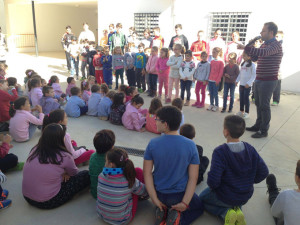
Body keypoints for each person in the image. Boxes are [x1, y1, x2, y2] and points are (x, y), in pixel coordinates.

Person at [199, 115, 269, 225]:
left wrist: (217, 188)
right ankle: (237, 212)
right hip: (245, 195)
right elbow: (264, 171)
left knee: (200, 200)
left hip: (225, 195)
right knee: (233, 200)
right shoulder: (250, 148)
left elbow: (213, 182)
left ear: (226, 132)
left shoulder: (220, 152)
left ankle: (225, 213)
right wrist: (248, 181)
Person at [144, 106, 203, 225]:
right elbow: (193, 178)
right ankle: (178, 219)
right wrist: (185, 203)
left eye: (157, 119)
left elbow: (147, 173)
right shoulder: (191, 145)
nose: (155, 121)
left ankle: (161, 210)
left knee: (162, 204)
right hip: (179, 196)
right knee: (199, 207)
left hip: (159, 193)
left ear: (165, 124)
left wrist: (154, 198)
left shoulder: (153, 143)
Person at [22, 123, 90, 209]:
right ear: (61, 139)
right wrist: (65, 173)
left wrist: (63, 173)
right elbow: (74, 173)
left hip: (27, 197)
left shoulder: (35, 149)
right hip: (47, 201)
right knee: (86, 175)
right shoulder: (65, 155)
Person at [239, 22, 283, 138]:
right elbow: (255, 57)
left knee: (264, 105)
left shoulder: (275, 45)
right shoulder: (264, 45)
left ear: (271, 32)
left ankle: (264, 130)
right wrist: (249, 51)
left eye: (263, 31)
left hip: (268, 80)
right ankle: (258, 125)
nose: (261, 33)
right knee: (258, 103)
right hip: (259, 79)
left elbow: (264, 53)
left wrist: (246, 47)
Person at [97, 148, 148, 224]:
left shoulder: (101, 175)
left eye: (106, 161)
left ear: (110, 165)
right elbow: (144, 191)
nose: (105, 163)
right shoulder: (128, 180)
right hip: (122, 220)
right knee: (138, 172)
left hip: (102, 215)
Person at [266, 160, 300, 225]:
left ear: (298, 178)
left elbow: (274, 213)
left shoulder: (286, 195)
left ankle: (273, 192)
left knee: (279, 204)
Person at [89, 129, 115, 199]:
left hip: (95, 193)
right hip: (108, 197)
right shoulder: (112, 162)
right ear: (112, 147)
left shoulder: (92, 156)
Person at [235, 51, 256, 119]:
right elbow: (240, 74)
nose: (243, 57)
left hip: (247, 85)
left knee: (246, 99)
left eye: (244, 56)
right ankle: (241, 111)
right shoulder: (243, 64)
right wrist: (237, 81)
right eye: (243, 56)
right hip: (242, 84)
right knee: (241, 98)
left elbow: (253, 76)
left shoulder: (252, 65)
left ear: (249, 56)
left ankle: (247, 112)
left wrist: (249, 83)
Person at [207, 47, 224, 112]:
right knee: (210, 93)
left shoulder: (221, 62)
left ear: (218, 53)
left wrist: (218, 80)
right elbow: (210, 70)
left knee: (215, 93)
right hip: (210, 79)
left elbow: (221, 72)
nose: (213, 54)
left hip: (216, 80)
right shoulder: (212, 61)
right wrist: (208, 78)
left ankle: (216, 105)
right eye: (212, 52)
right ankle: (211, 104)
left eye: (214, 52)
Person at [272, 30, 284, 106]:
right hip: (272, 68)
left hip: (278, 69)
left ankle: (276, 100)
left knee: (277, 85)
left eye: (277, 36)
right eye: (275, 36)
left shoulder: (281, 46)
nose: (276, 38)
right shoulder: (273, 45)